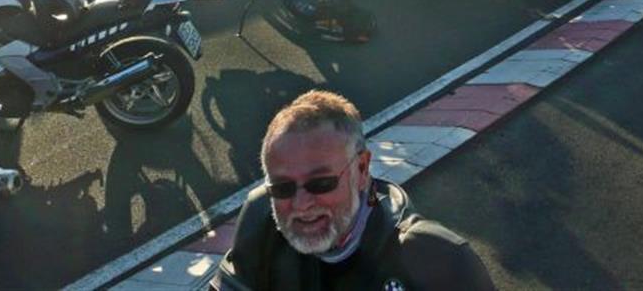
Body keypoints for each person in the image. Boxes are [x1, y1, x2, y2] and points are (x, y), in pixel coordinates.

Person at [212, 90, 494, 290]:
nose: (301, 203)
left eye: (320, 183)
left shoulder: (438, 258)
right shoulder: (260, 222)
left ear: (362, 168)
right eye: (282, 188)